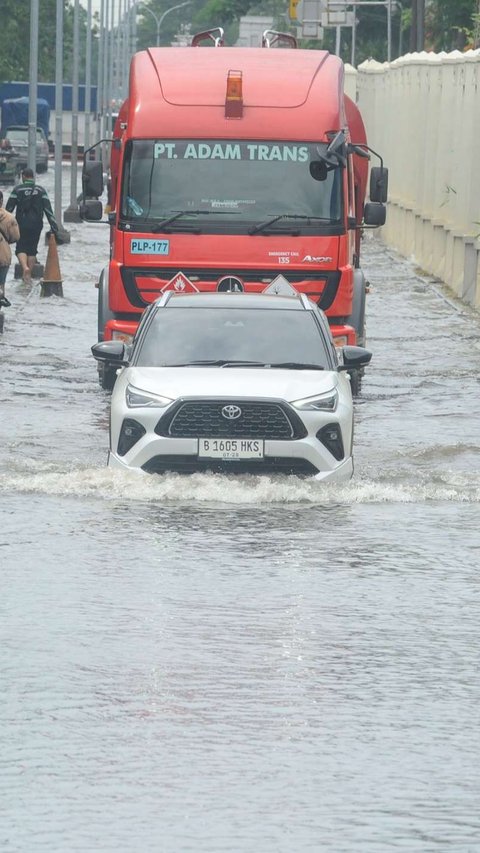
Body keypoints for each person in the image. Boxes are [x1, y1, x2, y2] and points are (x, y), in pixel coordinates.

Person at [6, 167, 58, 284]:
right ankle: (28, 277)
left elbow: (9, 209)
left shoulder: (17, 190)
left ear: (23, 176)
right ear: (33, 177)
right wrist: (54, 226)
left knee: (21, 247)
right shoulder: (41, 190)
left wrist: (5, 225)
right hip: (36, 225)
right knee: (32, 249)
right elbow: (48, 210)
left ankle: (25, 268)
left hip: (21, 224)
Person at [0, 189, 20, 307]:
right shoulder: (9, 217)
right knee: (1, 282)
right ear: (1, 201)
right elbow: (16, 237)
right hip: (3, 255)